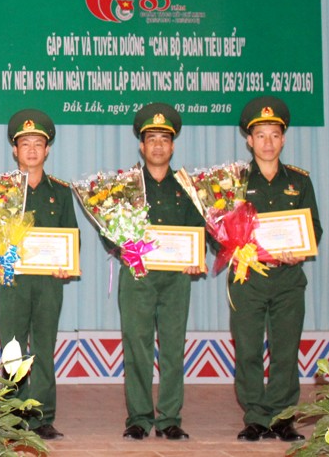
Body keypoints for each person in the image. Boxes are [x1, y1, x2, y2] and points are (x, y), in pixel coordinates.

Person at [232, 96, 321, 442]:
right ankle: (255, 417)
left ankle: (283, 418)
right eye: (260, 135)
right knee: (249, 350)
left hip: (288, 279)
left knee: (285, 350)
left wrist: (301, 250)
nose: (267, 142)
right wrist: (235, 245)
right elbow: (219, 229)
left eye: (274, 135)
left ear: (283, 139)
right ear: (249, 140)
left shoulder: (299, 181)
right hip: (248, 278)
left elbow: (313, 227)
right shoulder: (234, 182)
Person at [120, 103, 205, 441]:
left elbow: (200, 229)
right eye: (151, 139)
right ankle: (139, 418)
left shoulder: (187, 187)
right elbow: (108, 228)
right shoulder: (126, 187)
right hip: (137, 276)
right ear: (141, 146)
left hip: (175, 278)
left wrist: (197, 256)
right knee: (137, 347)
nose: (158, 146)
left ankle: (170, 418)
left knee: (172, 347)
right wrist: (124, 245)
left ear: (172, 146)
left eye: (164, 139)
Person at [0, 109, 77, 440]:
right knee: (13, 348)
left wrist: (67, 262)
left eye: (38, 144)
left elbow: (72, 236)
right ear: (15, 150)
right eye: (25, 144)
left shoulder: (61, 191)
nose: (31, 150)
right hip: (13, 280)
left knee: (44, 347)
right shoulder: (0, 192)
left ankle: (42, 416)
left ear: (47, 150)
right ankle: (14, 414)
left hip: (48, 282)